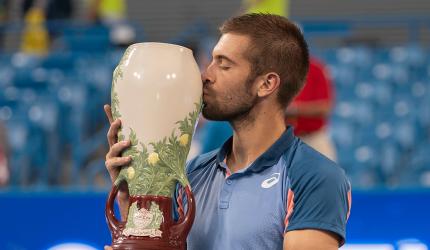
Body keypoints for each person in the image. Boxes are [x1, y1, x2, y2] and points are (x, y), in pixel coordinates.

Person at [104, 13, 351, 250]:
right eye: (211, 61)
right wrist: (133, 200)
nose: (206, 75)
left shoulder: (315, 177)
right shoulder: (192, 173)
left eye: (223, 64)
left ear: (266, 84)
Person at [285, 57, 338, 161]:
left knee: (327, 175)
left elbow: (325, 107)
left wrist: (294, 109)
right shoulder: (273, 69)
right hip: (284, 140)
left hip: (313, 138)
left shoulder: (315, 68)